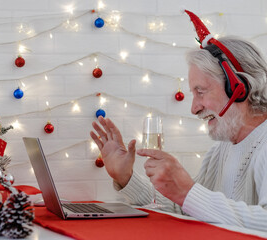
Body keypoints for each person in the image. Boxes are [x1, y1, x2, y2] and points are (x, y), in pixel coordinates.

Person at [90, 10, 267, 232]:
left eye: (201, 92)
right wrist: (126, 178)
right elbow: (186, 209)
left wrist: (189, 192)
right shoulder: (220, 150)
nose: (194, 108)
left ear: (239, 88)